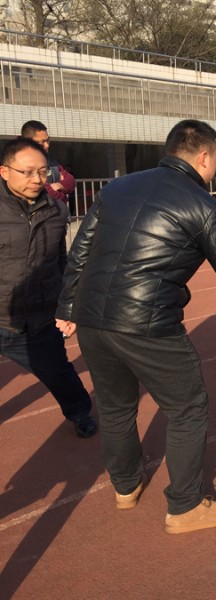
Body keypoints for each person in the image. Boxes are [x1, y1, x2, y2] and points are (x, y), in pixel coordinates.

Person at [56, 120, 216, 534]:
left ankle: (126, 486)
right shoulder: (202, 204)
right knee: (188, 407)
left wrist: (67, 305)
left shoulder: (117, 188)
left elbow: (81, 249)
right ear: (204, 157)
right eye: (215, 160)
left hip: (92, 319)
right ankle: (185, 505)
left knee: (116, 406)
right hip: (147, 322)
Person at [0, 137, 96, 438]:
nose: (37, 179)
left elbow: (60, 261)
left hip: (39, 317)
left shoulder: (56, 211)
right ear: (4, 172)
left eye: (43, 172)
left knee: (58, 372)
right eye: (27, 172)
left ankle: (80, 412)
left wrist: (68, 305)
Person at [20, 120, 76, 207]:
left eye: (47, 140)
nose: (47, 145)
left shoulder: (50, 160)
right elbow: (43, 191)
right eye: (41, 142)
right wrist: (63, 197)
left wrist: (59, 185)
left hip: (54, 215)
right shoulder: (19, 162)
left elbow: (71, 180)